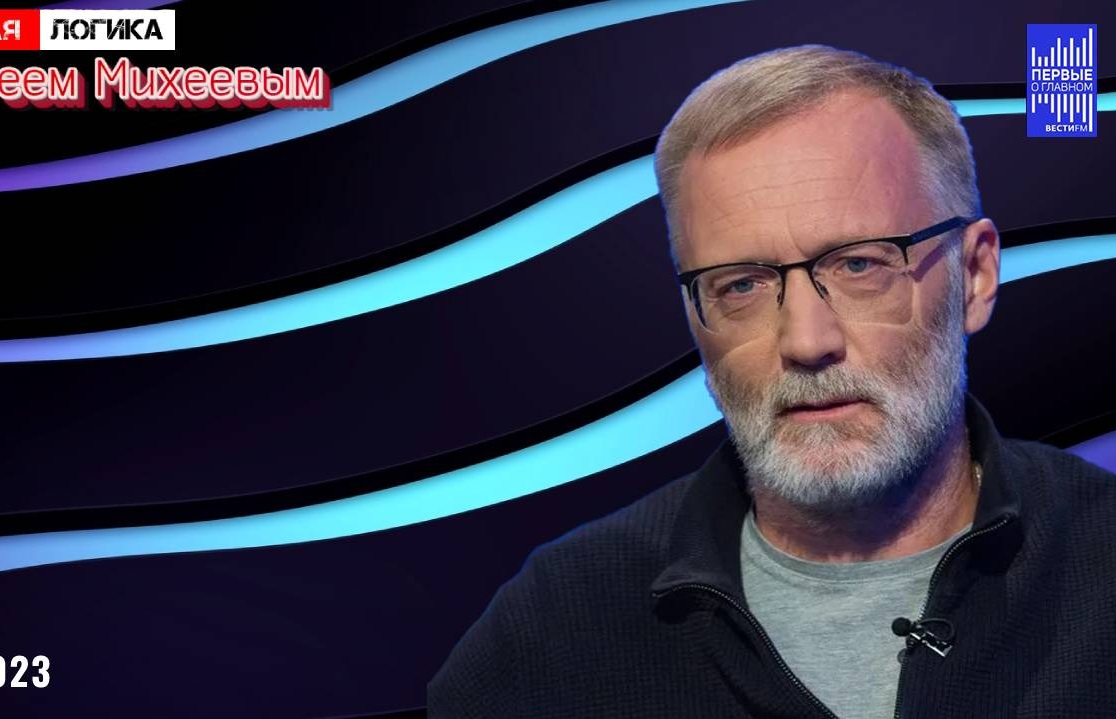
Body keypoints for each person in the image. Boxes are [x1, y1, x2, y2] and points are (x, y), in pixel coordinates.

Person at [427, 45, 1116, 718]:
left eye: (859, 265)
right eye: (742, 285)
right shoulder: (553, 631)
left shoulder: (1102, 563)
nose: (807, 342)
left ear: (975, 276)